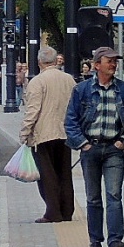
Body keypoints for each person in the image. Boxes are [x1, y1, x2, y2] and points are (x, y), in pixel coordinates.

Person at [65, 46, 124, 247]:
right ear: (97, 65)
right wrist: (83, 143)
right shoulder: (82, 90)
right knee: (93, 197)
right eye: (109, 61)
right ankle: (95, 240)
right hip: (91, 148)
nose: (114, 65)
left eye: (115, 61)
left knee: (114, 195)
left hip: (114, 148)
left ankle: (115, 240)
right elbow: (70, 120)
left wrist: (123, 141)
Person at [20, 46, 76, 223]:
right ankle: (67, 211)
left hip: (43, 134)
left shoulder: (37, 82)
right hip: (65, 133)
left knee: (47, 175)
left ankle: (53, 213)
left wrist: (24, 133)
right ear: (55, 60)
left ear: (39, 62)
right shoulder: (69, 80)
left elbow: (33, 110)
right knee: (65, 173)